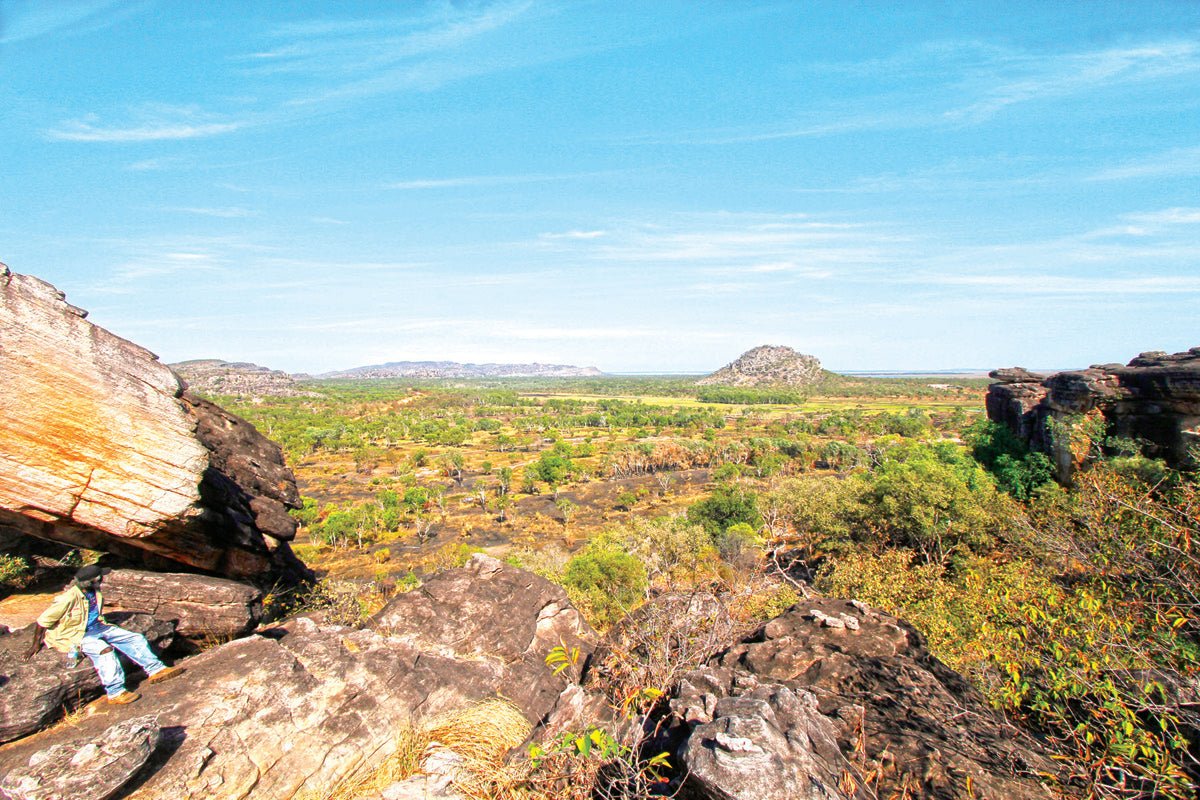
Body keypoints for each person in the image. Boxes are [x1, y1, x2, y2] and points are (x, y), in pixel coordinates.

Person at [26, 564, 181, 704]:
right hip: (77, 635)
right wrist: (35, 645)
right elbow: (43, 621)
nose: (103, 579)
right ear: (93, 581)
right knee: (104, 651)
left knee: (135, 638)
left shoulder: (95, 591)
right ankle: (115, 692)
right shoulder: (68, 598)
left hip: (98, 627)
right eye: (100, 578)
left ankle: (155, 669)